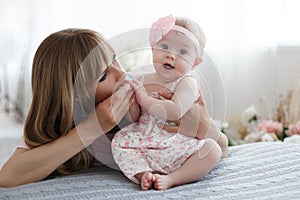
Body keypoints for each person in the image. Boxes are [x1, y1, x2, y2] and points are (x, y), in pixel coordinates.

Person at [0, 28, 225, 188]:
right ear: (75, 97)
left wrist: (204, 126)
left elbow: (222, 147)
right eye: (104, 75)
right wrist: (93, 127)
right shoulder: (62, 124)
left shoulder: (147, 90)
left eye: (115, 59)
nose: (122, 74)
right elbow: (8, 177)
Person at [111, 15, 225, 191]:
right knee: (119, 141)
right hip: (147, 141)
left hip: (179, 145)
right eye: (164, 47)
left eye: (182, 52)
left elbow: (175, 111)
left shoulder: (186, 82)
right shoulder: (143, 78)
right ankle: (145, 174)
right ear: (152, 49)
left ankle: (173, 178)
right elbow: (133, 117)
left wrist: (145, 99)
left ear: (195, 63)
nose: (171, 55)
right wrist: (130, 99)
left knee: (212, 150)